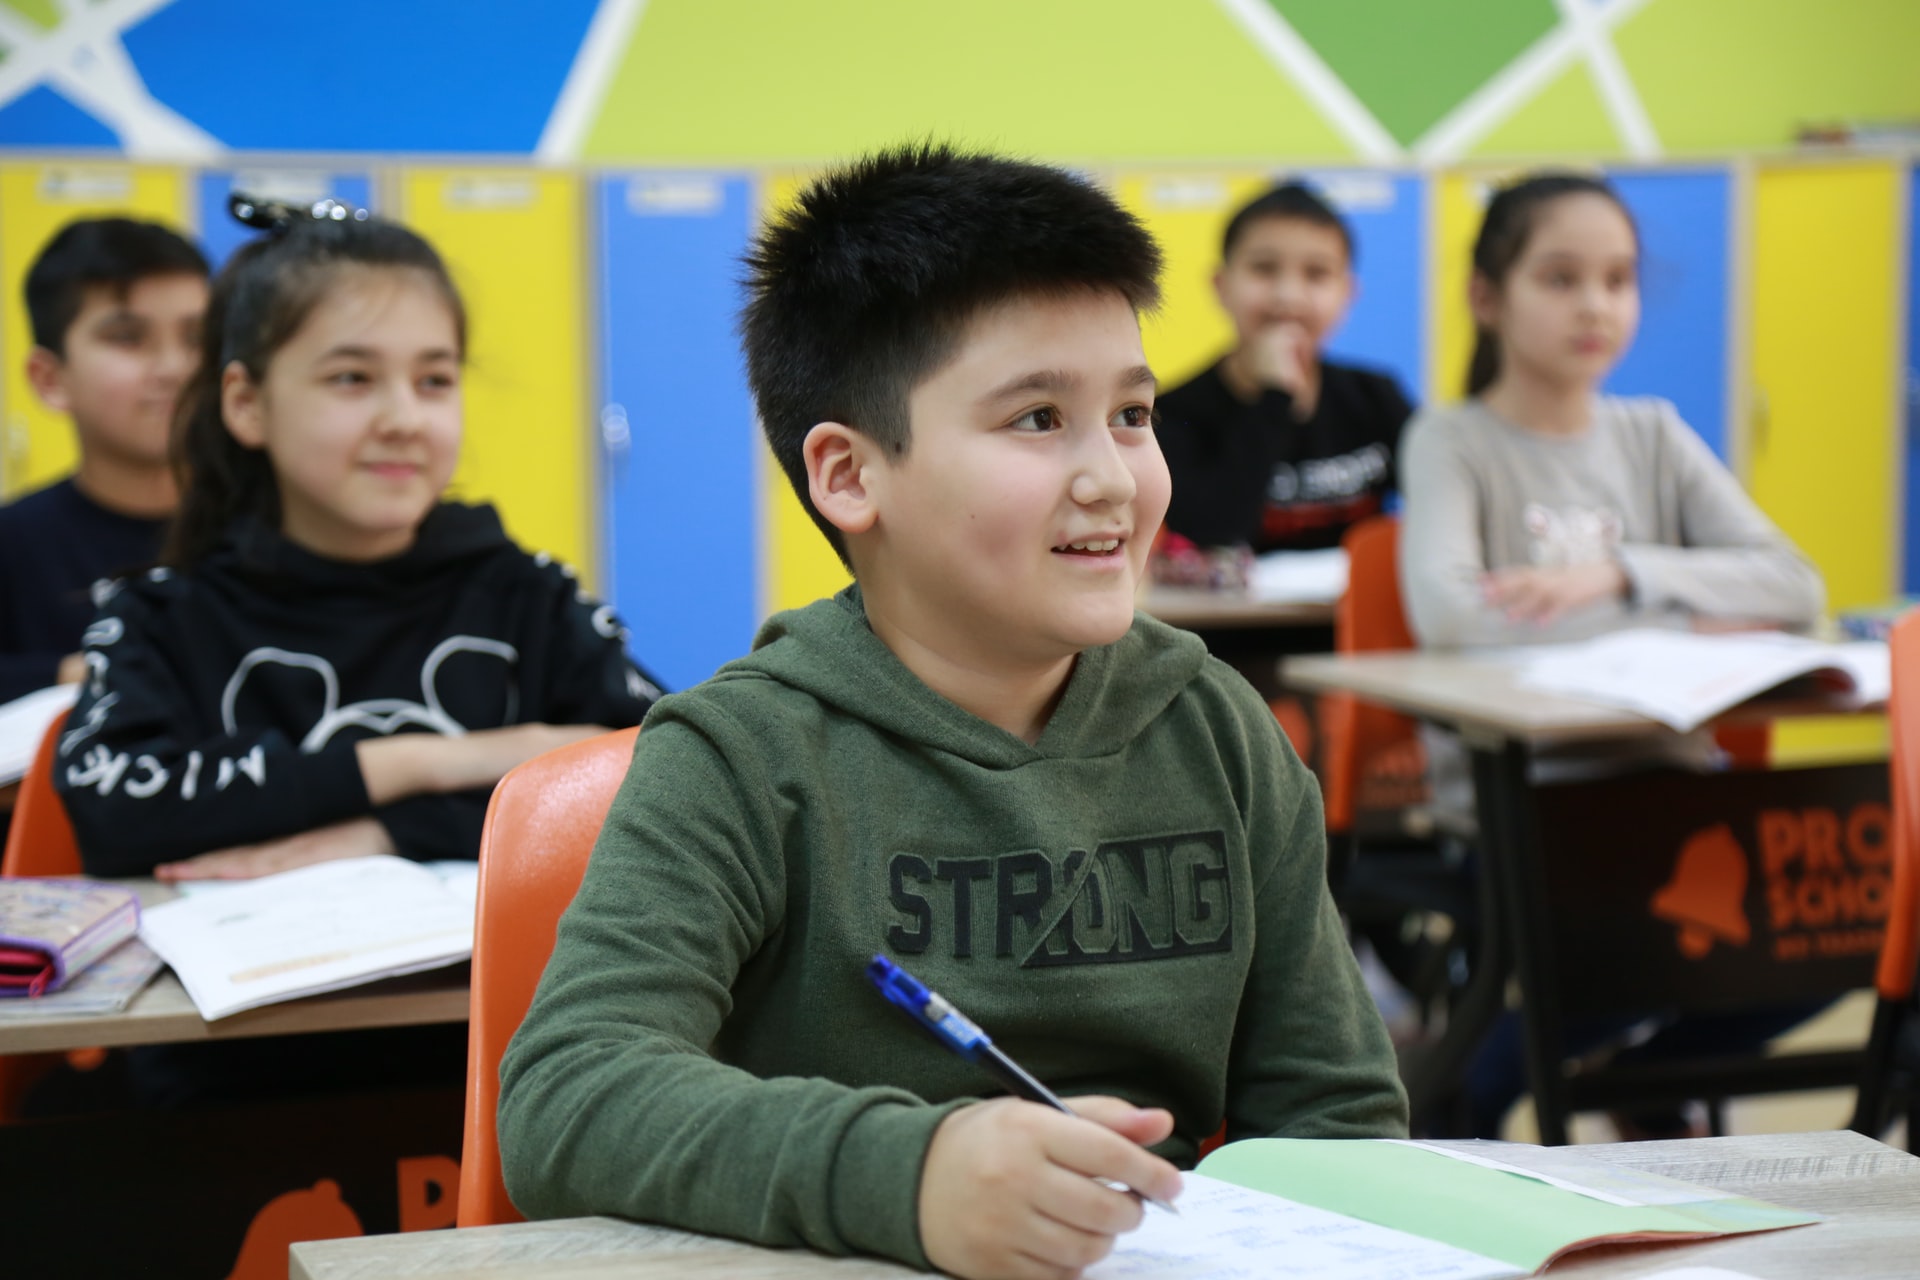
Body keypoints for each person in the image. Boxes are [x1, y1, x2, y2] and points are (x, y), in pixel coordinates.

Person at [498, 145, 1406, 1280]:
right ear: (849, 474)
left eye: (1131, 412)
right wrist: (912, 1173)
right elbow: (570, 1093)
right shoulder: (746, 754)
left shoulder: (1218, 731)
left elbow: (1339, 1115)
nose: (1114, 478)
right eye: (1037, 418)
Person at [56, 195, 663, 880]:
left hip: (487, 985)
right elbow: (110, 811)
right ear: (247, 404)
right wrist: (430, 759)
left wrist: (390, 831)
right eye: (352, 378)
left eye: (434, 380)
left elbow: (671, 771)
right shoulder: (162, 616)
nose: (404, 417)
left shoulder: (529, 595)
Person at [1396, 172, 1825, 1139]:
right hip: (1528, 804)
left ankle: (1637, 1078)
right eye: (1561, 277)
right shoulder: (1453, 440)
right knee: (1629, 934)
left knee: (1835, 931)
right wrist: (1684, 612)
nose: (1597, 305)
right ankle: (1476, 1084)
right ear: (1486, 297)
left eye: (1618, 279)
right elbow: (1453, 618)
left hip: (1671, 790)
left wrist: (1618, 575)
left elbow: (1794, 583)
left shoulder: (1655, 434)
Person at [0, 217, 207, 704]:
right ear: (50, 378)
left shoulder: (279, 530)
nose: (174, 368)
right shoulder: (13, 544)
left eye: (197, 338)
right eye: (128, 337)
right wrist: (70, 674)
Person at [1157, 181, 1413, 555]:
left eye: (1316, 273)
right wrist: (1274, 398)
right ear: (1221, 285)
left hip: (1352, 611)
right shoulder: (1174, 413)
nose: (1288, 295)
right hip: (1226, 614)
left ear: (1348, 293)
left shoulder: (1376, 397)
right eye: (1264, 269)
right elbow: (1213, 534)